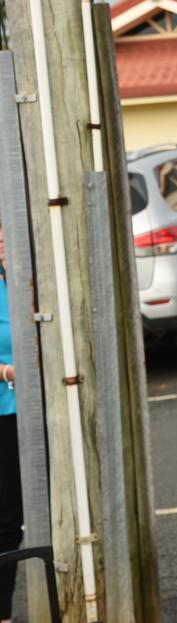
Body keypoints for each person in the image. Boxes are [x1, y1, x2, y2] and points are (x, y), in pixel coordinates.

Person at [0, 222, 20, 623]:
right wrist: (5, 372)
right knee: (3, 519)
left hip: (31, 415)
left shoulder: (26, 279)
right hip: (3, 410)